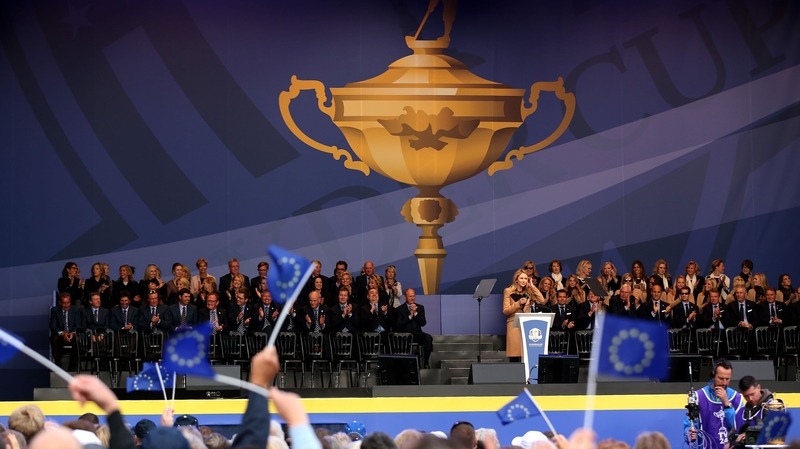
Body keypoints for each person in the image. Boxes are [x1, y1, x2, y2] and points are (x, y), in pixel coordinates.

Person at [685, 358, 745, 449]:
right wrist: (689, 434)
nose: (724, 382)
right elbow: (690, 424)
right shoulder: (698, 396)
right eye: (721, 378)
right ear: (713, 374)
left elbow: (739, 427)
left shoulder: (736, 397)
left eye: (727, 379)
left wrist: (727, 404)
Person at [732, 375, 784, 447]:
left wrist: (750, 435)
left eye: (752, 394)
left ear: (759, 387)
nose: (750, 398)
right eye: (746, 396)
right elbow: (732, 436)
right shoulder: (740, 413)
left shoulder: (773, 406)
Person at [502, 269, 541, 361]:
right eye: (521, 278)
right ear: (516, 279)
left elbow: (542, 300)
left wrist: (532, 286)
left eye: (526, 278)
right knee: (515, 355)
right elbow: (506, 311)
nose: (524, 280)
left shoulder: (528, 292)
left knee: (526, 355)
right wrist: (518, 303)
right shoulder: (509, 291)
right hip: (513, 324)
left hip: (526, 325)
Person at [396, 288, 433, 369]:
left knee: (428, 338)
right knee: (402, 339)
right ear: (405, 297)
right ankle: (405, 364)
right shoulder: (399, 309)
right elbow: (399, 325)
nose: (412, 298)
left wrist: (415, 313)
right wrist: (410, 316)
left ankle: (426, 361)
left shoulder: (420, 307)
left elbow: (423, 323)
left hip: (417, 334)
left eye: (413, 296)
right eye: (410, 296)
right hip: (405, 335)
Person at [49, 292, 80, 368]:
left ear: (70, 301)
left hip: (72, 333)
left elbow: (78, 325)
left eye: (68, 302)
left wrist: (72, 333)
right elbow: (53, 326)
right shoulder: (55, 310)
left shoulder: (76, 310)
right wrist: (63, 333)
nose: (66, 305)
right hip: (60, 334)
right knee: (54, 338)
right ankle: (58, 365)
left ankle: (72, 366)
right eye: (64, 303)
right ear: (59, 302)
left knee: (78, 339)